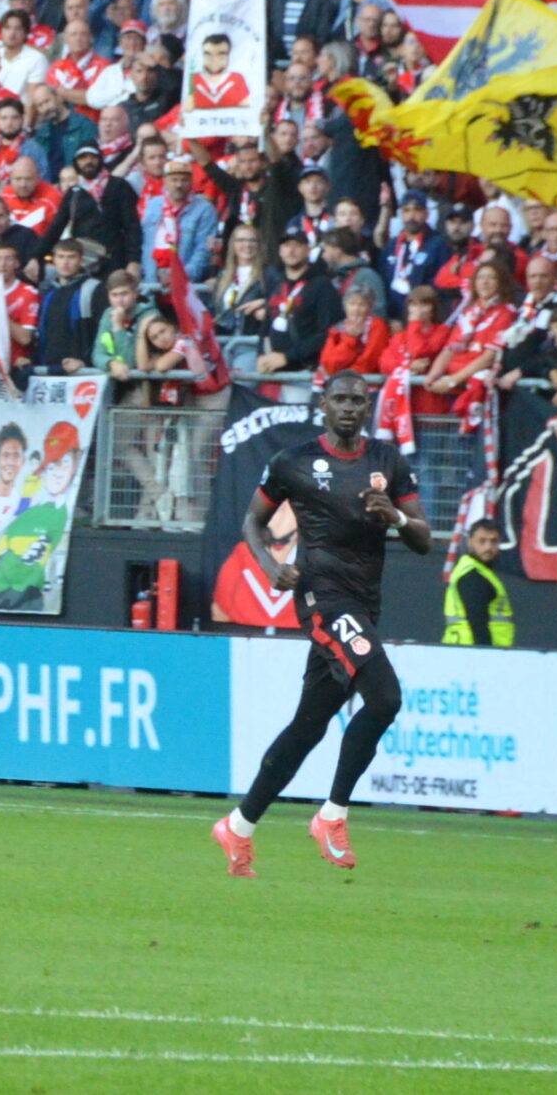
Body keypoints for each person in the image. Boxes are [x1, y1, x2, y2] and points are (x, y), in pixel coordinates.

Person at [216, 373, 430, 878]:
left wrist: (396, 518)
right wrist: (269, 566)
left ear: (368, 407)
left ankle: (237, 826)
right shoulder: (293, 462)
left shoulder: (388, 462)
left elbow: (424, 539)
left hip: (363, 603)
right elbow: (253, 520)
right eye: (340, 399)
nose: (349, 407)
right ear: (324, 404)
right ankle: (332, 815)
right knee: (385, 698)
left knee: (309, 726)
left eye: (358, 400)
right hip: (322, 599)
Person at [442, 518, 514, 647]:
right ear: (470, 542)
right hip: (471, 649)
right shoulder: (472, 575)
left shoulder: (474, 569)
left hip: (462, 646)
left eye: (493, 541)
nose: (488, 547)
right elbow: (477, 622)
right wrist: (485, 653)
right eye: (482, 541)